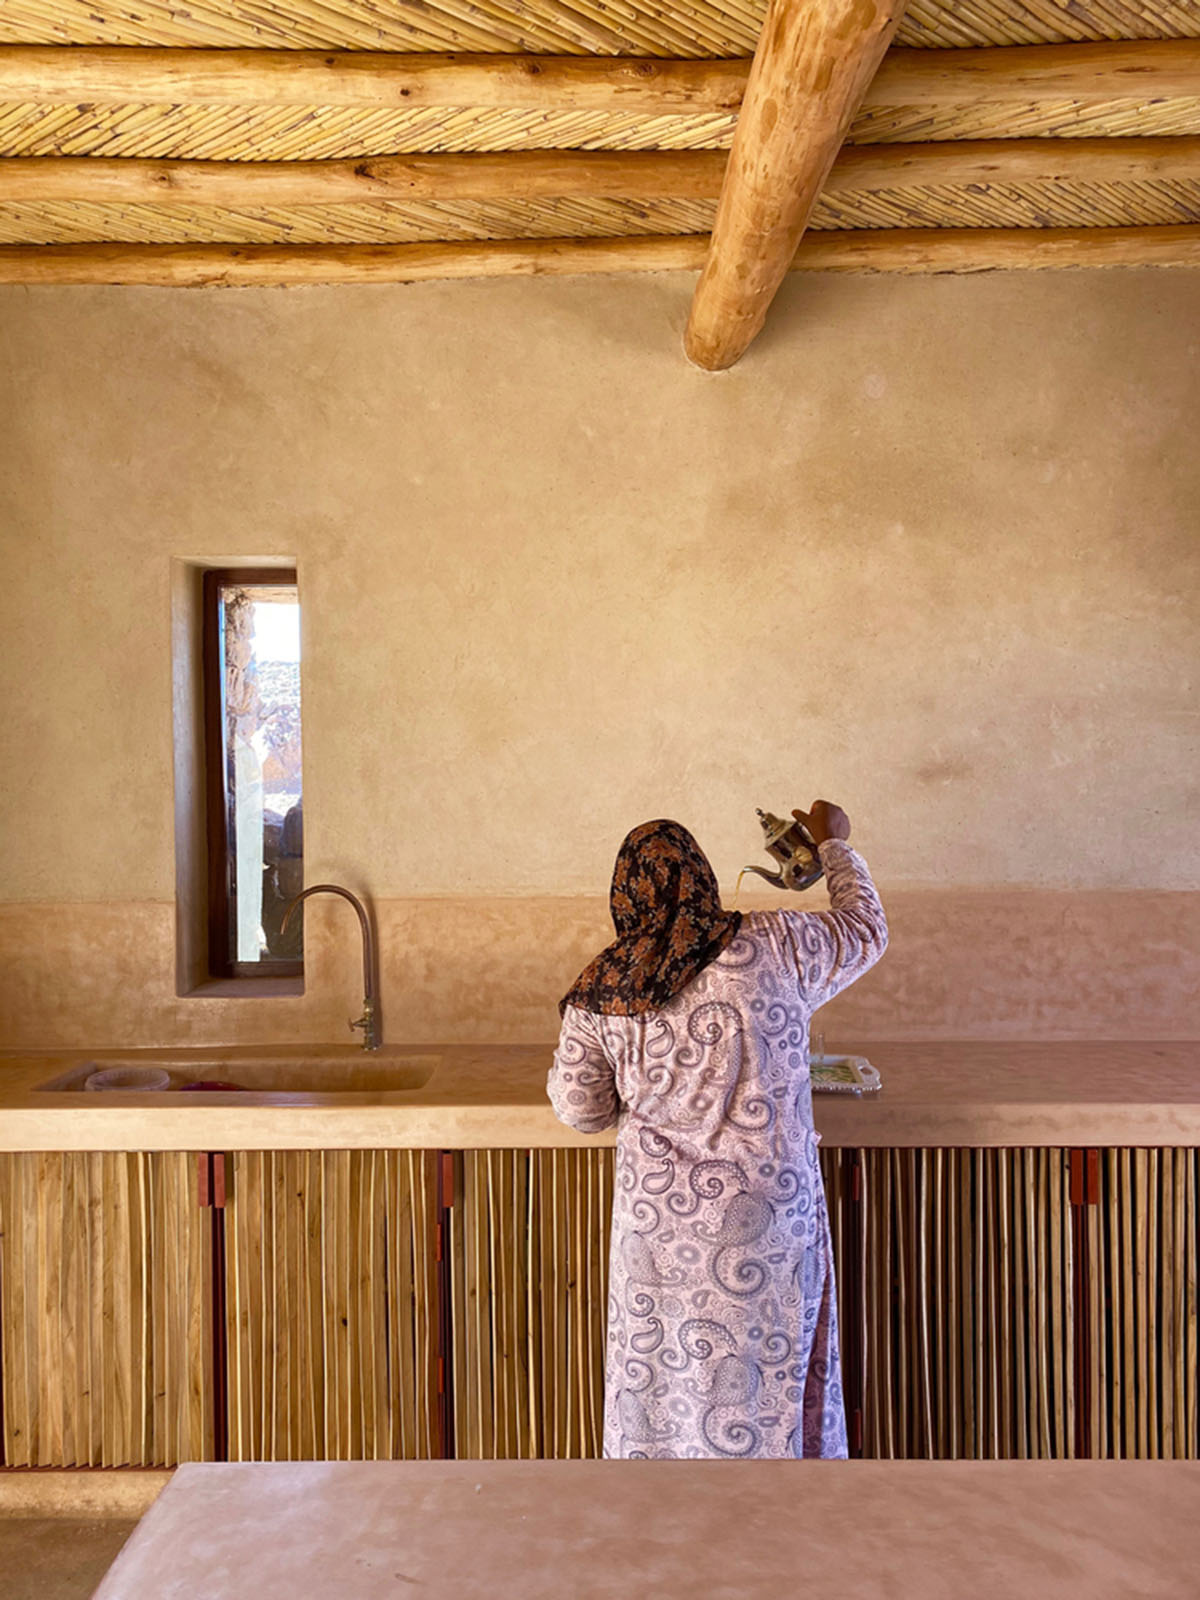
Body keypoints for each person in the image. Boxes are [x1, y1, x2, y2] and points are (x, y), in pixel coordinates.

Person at [547, 802, 887, 1459]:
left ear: (625, 893)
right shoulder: (777, 943)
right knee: (770, 1391)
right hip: (770, 1227)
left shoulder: (604, 990)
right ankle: (773, 1537)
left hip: (660, 1241)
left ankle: (673, 1536)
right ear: (702, 876)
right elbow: (866, 929)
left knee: (662, 1392)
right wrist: (834, 846)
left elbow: (578, 1109)